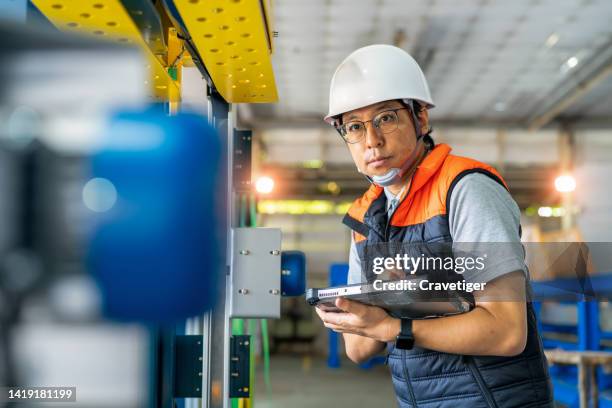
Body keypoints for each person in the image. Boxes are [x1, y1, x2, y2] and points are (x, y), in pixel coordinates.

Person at [314, 44, 554, 407]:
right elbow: (360, 348)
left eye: (386, 118)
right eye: (354, 127)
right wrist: (351, 315)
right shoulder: (365, 218)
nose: (371, 141)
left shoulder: (465, 189)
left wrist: (393, 325)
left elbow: (507, 331)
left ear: (420, 118)